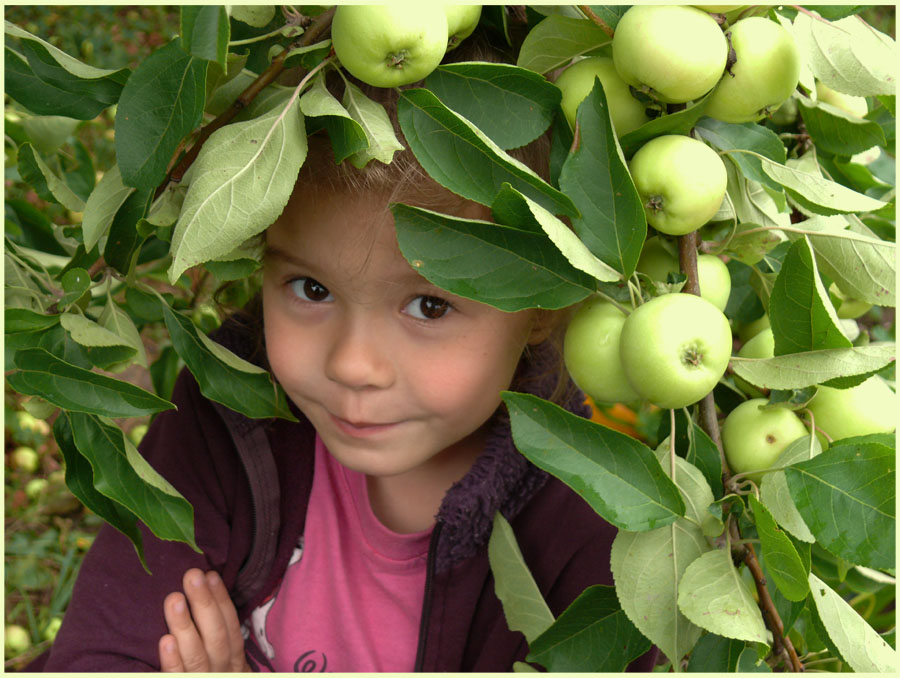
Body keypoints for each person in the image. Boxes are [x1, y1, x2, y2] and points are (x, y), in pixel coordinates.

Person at [36, 34, 656, 673]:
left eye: (430, 306)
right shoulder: (232, 406)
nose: (352, 365)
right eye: (311, 289)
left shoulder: (590, 531)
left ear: (543, 306)